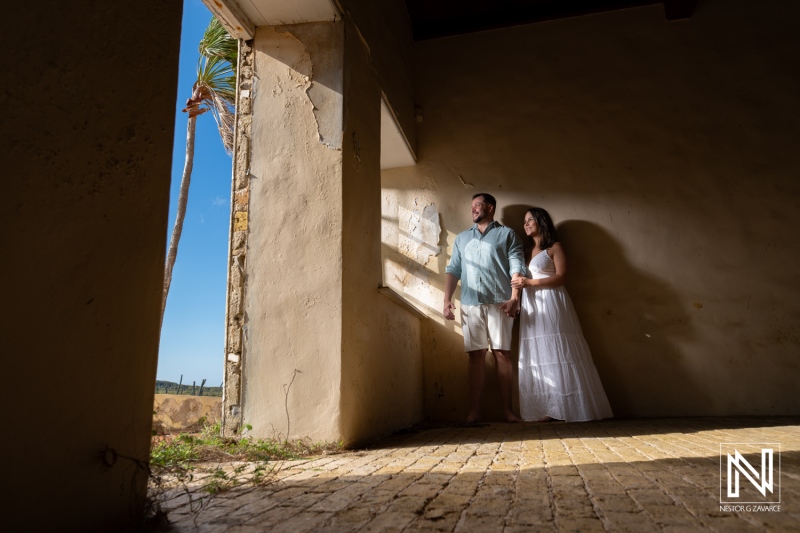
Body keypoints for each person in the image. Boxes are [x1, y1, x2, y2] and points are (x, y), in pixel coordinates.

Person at [511, 207, 613, 422]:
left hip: (552, 302)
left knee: (557, 349)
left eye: (530, 220)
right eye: (524, 221)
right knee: (537, 351)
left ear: (541, 222)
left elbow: (562, 277)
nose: (526, 224)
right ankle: (546, 408)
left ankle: (566, 407)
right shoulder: (526, 251)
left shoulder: (554, 247)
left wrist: (530, 282)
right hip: (532, 305)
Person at [443, 193, 526, 423]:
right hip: (470, 303)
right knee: (476, 356)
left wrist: (515, 298)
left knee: (502, 353)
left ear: (490, 208)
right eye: (471, 207)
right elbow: (453, 269)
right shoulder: (461, 239)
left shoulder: (507, 235)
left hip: (501, 302)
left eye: (477, 206)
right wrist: (447, 299)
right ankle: (475, 412)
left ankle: (508, 411)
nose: (472, 210)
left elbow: (517, 266)